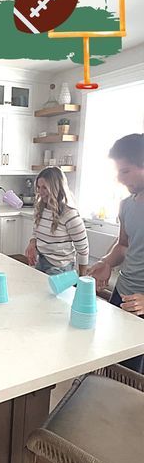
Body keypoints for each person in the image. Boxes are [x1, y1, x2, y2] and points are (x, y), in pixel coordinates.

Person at [89, 133, 144, 373]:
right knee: (115, 366)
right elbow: (123, 245)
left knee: (136, 380)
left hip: (141, 304)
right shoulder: (127, 204)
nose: (119, 179)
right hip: (122, 294)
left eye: (126, 171)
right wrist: (106, 262)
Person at [25, 166, 88, 275]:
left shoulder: (70, 215)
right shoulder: (41, 208)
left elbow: (83, 250)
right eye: (39, 187)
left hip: (60, 268)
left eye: (45, 187)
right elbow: (36, 232)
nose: (40, 192)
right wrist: (32, 243)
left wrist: (82, 280)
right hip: (42, 261)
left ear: (56, 188)